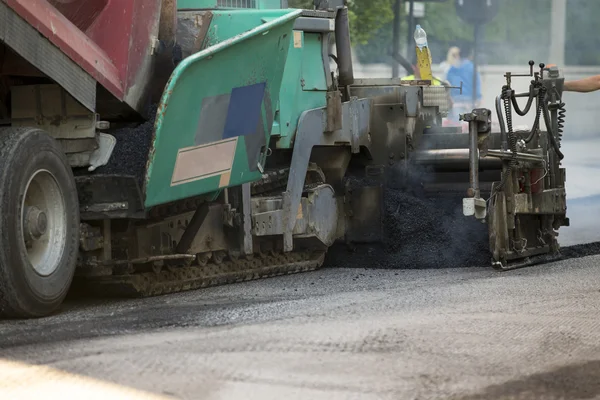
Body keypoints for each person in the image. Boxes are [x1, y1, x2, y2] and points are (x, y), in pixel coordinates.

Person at [445, 45, 483, 121]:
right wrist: (479, 97)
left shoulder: (452, 68)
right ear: (470, 55)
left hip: (456, 101)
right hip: (470, 100)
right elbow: (477, 84)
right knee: (470, 123)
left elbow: (447, 85)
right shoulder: (472, 68)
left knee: (457, 123)